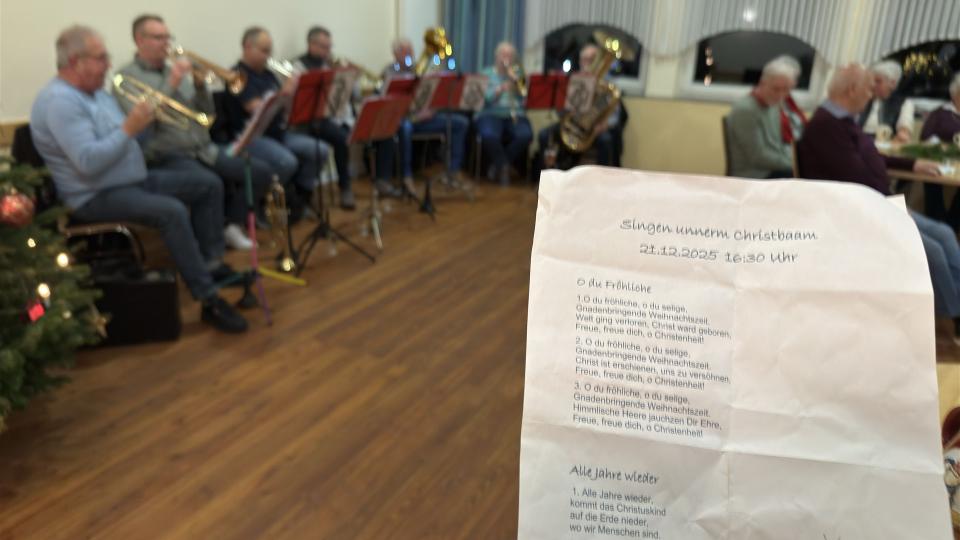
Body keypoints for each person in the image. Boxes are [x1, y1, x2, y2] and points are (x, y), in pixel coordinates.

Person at [31, 25, 247, 333]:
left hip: (129, 180)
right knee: (171, 212)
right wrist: (129, 128)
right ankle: (209, 299)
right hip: (93, 195)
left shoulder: (98, 95)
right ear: (76, 61)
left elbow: (130, 142)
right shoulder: (60, 102)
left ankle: (211, 265)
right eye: (101, 58)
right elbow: (88, 163)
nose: (108, 64)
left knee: (208, 184)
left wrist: (147, 121)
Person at [796, 63, 960, 342]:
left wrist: (912, 164)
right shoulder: (826, 126)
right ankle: (951, 316)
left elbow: (870, 157)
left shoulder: (842, 120)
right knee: (929, 250)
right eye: (868, 88)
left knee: (944, 233)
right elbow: (855, 176)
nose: (871, 94)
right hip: (856, 211)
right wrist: (892, 208)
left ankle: (954, 308)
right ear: (852, 90)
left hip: (877, 203)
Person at [115, 14, 272, 250]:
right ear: (139, 40)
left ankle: (231, 224)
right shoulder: (127, 77)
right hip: (168, 154)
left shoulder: (174, 71)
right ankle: (211, 254)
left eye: (167, 37)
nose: (166, 43)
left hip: (203, 149)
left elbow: (206, 115)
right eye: (158, 37)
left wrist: (200, 87)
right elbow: (143, 120)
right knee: (210, 183)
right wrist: (172, 82)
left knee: (259, 172)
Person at [225, 27, 338, 211]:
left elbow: (286, 109)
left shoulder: (268, 74)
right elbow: (255, 108)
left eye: (270, 50)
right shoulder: (237, 75)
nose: (268, 56)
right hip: (251, 138)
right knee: (287, 162)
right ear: (247, 47)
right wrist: (283, 94)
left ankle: (300, 198)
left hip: (278, 132)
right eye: (264, 51)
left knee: (321, 151)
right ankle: (266, 203)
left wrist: (295, 94)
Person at [373, 38, 470, 195]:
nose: (409, 54)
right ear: (395, 54)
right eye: (404, 51)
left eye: (410, 50)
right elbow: (385, 102)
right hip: (404, 119)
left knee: (460, 123)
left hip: (424, 118)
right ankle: (407, 176)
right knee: (405, 128)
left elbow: (431, 95)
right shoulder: (388, 72)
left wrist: (431, 109)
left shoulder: (420, 69)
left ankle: (453, 171)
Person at [291, 26, 357, 206]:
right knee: (340, 138)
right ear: (311, 45)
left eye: (329, 47)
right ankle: (312, 192)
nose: (328, 51)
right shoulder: (298, 67)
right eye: (324, 47)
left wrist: (346, 78)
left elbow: (340, 98)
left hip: (324, 119)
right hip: (304, 122)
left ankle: (345, 187)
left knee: (344, 136)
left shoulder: (327, 65)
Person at [536, 44, 624, 171]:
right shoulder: (572, 79)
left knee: (606, 141)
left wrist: (605, 125)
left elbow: (615, 116)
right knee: (543, 135)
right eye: (584, 59)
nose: (587, 63)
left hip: (593, 129)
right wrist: (565, 108)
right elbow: (560, 113)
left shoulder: (608, 86)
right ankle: (547, 175)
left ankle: (602, 178)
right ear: (580, 61)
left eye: (591, 60)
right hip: (572, 124)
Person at [726, 55, 803, 178]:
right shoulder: (746, 110)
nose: (781, 95)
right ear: (762, 83)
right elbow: (757, 156)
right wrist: (793, 165)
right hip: (753, 174)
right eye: (776, 89)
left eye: (786, 90)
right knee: (803, 175)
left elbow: (777, 146)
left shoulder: (773, 104)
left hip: (770, 168)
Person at [476, 41, 532, 186]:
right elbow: (485, 99)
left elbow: (525, 97)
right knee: (488, 135)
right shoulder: (485, 74)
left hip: (515, 114)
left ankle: (499, 166)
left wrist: (517, 82)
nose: (506, 58)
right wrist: (500, 89)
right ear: (496, 56)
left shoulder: (518, 74)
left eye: (510, 55)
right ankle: (504, 166)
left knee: (525, 135)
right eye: (503, 54)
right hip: (491, 113)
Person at [919, 73, 960, 228]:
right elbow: (926, 136)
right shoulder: (940, 113)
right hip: (939, 160)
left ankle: (951, 226)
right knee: (931, 180)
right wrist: (942, 148)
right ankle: (937, 224)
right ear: (954, 94)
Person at [860, 60, 915, 142]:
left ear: (892, 83)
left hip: (885, 145)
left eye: (878, 81)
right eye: (871, 80)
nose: (873, 84)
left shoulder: (904, 103)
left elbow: (905, 127)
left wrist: (903, 132)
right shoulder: (862, 98)